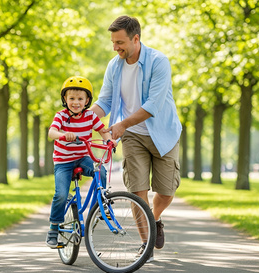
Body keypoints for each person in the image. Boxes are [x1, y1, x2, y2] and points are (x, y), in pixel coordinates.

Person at [89, 15, 182, 259]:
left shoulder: (159, 62)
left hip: (163, 133)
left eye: (120, 42)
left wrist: (121, 124)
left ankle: (155, 218)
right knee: (137, 191)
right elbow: (105, 101)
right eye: (113, 42)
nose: (115, 47)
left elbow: (153, 104)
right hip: (132, 136)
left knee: (166, 192)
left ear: (136, 39)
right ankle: (146, 247)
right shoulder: (114, 66)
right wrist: (82, 119)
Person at [46, 75, 117, 248]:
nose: (75, 102)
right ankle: (53, 229)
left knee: (100, 171)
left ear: (87, 101)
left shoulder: (91, 116)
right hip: (63, 162)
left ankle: (99, 207)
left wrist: (109, 140)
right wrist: (63, 135)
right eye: (71, 98)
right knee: (61, 195)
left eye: (80, 99)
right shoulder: (61, 116)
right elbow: (51, 132)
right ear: (65, 99)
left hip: (82, 158)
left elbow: (103, 131)